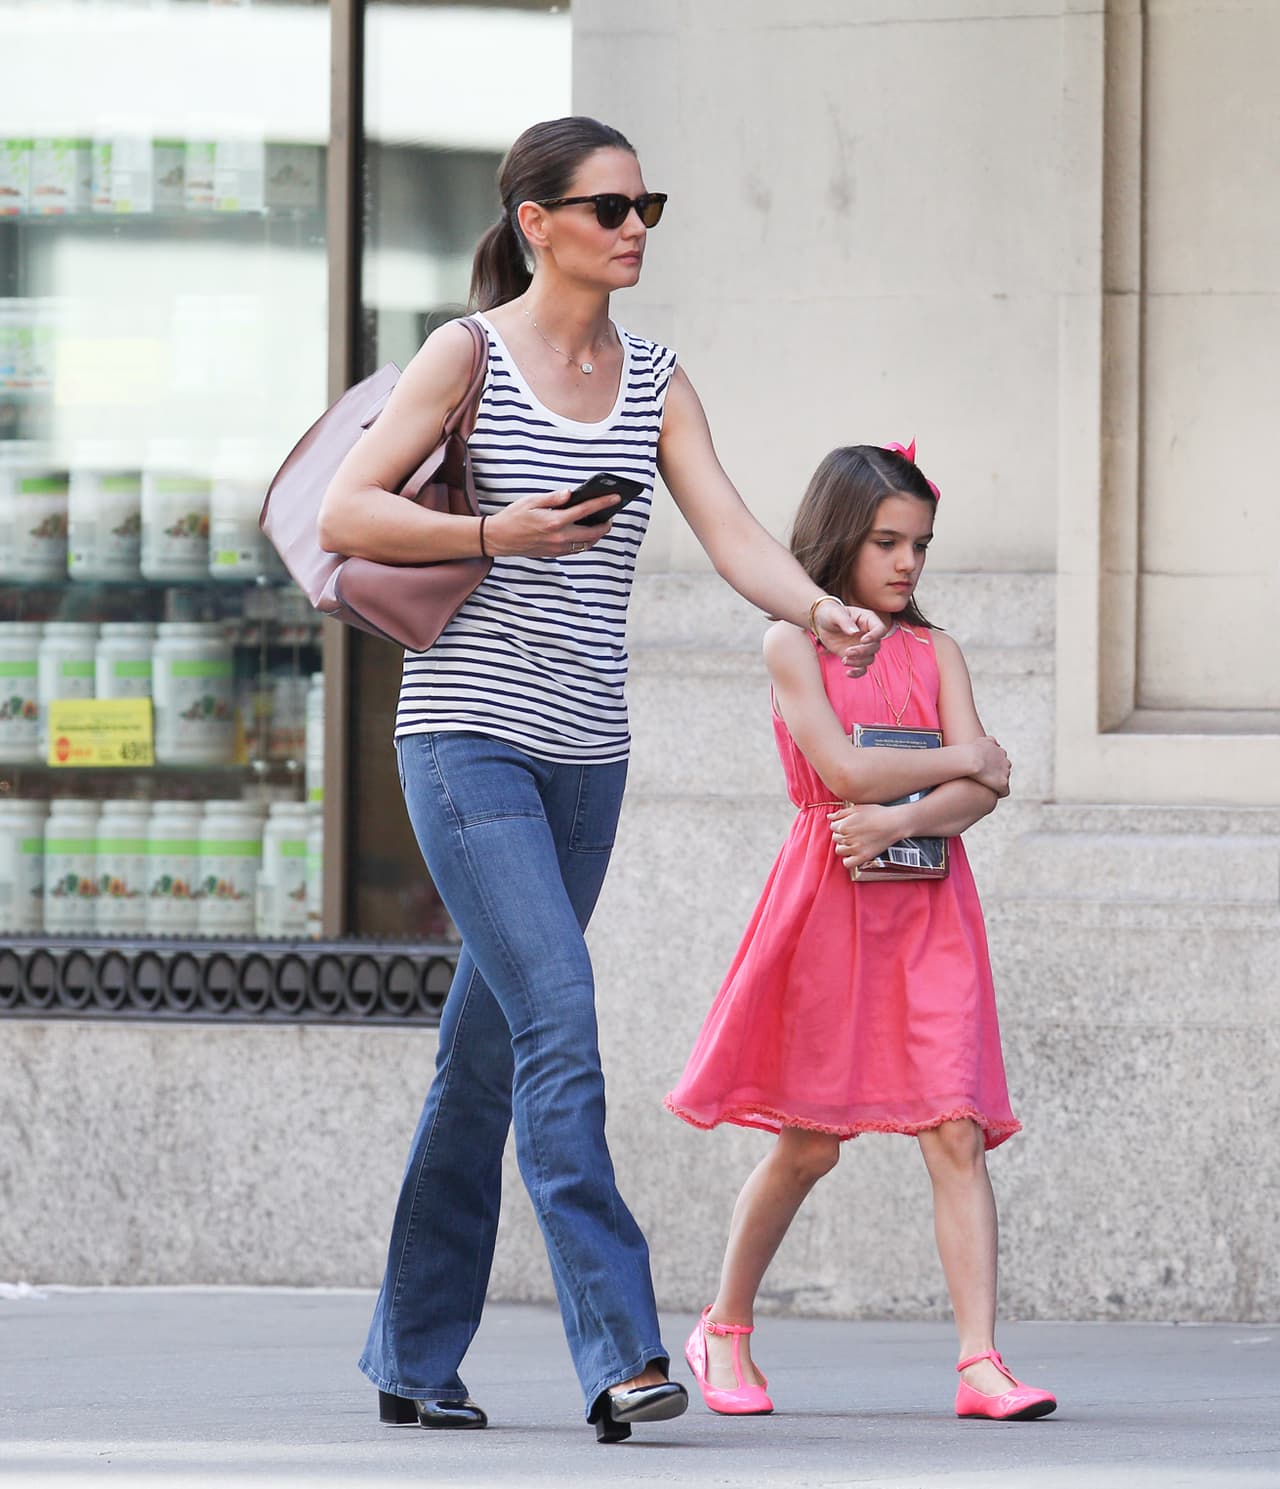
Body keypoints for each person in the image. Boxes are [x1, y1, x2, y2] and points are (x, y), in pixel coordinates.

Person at [317, 116, 886, 1445]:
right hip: (463, 740)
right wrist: (490, 531)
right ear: (538, 222)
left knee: (482, 1058)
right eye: (611, 208)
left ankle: (408, 1350)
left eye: (647, 208)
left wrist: (818, 607)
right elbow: (348, 509)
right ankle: (622, 1347)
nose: (636, 229)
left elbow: (732, 525)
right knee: (560, 1020)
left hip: (589, 758)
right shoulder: (466, 356)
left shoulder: (656, 377)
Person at [665, 443, 1057, 1424]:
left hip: (927, 910)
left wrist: (903, 818)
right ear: (841, 534)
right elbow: (845, 769)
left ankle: (977, 1363)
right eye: (887, 541)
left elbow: (980, 794)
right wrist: (958, 756)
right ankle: (723, 1326)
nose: (905, 564)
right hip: (826, 909)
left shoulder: (938, 653)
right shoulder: (787, 644)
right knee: (806, 1144)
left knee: (953, 1129)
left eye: (919, 545)